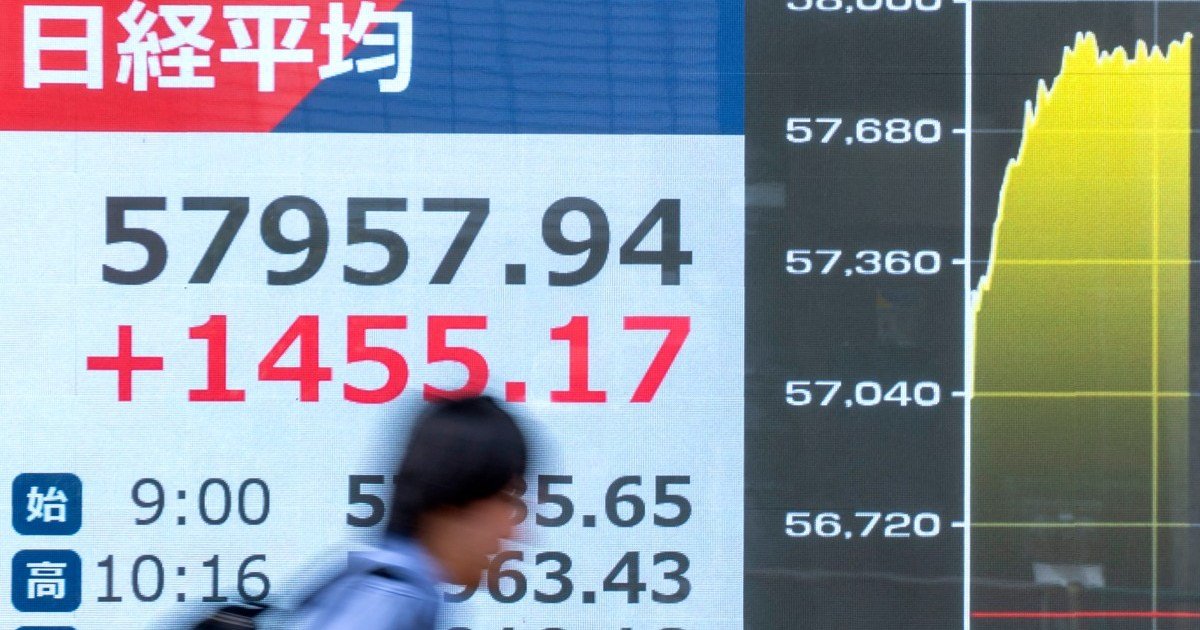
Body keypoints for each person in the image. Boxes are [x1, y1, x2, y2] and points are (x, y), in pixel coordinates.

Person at [293, 396, 529, 629]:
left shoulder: (384, 587)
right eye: (505, 498)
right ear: (456, 492)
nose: (512, 532)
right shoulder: (393, 598)